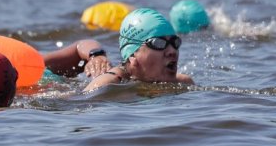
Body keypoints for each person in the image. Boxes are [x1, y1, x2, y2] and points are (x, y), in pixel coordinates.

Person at [42, 8, 194, 92]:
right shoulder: (108, 84)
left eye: (175, 42)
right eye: (158, 43)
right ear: (133, 55)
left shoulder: (183, 82)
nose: (172, 51)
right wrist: (95, 55)